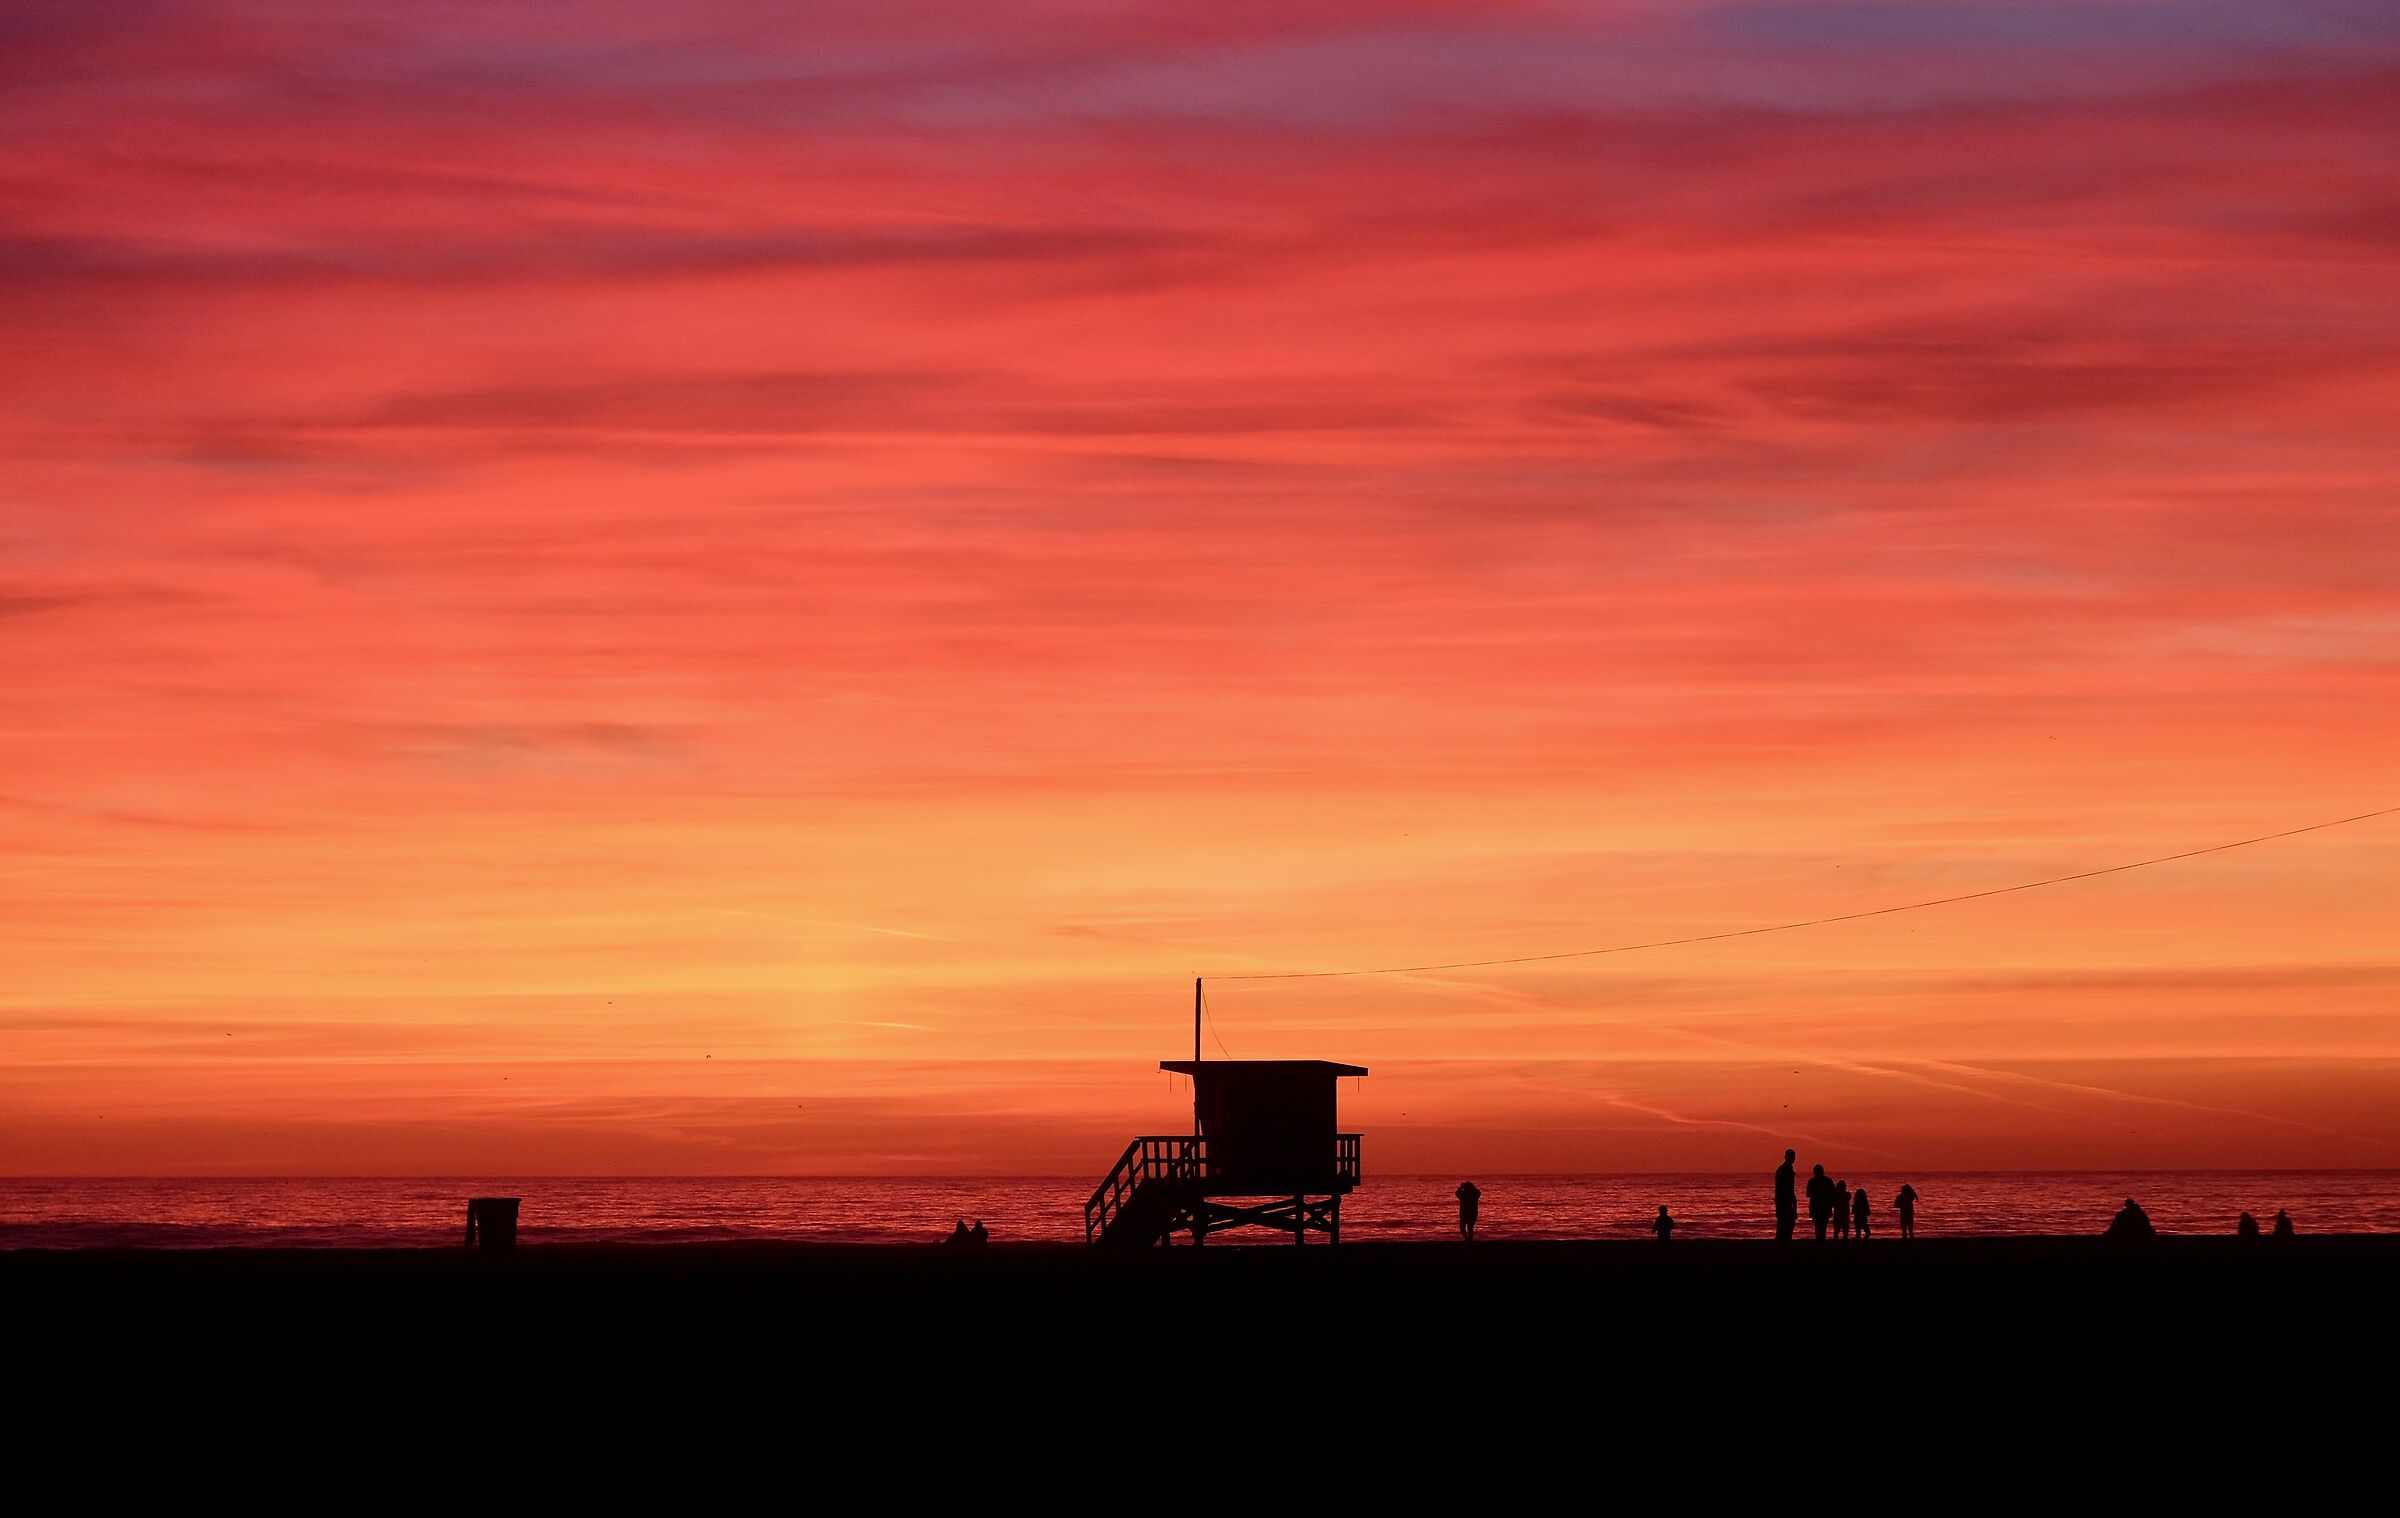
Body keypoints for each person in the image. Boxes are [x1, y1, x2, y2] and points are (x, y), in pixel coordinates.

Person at [1775, 1149, 1798, 1242]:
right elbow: (1789, 1189)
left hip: (1783, 1201)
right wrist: (1794, 1204)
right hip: (1785, 1201)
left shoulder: (1783, 1169)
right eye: (1793, 1157)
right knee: (1786, 1226)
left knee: (1783, 1226)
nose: (1794, 1159)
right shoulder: (1786, 1170)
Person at [1806, 1164, 1833, 1241]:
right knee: (1823, 1226)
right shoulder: (1828, 1181)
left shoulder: (1811, 1181)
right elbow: (1832, 1194)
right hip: (1825, 1207)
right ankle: (1821, 1240)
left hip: (1815, 1207)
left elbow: (1808, 1194)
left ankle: (1819, 1241)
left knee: (1818, 1226)